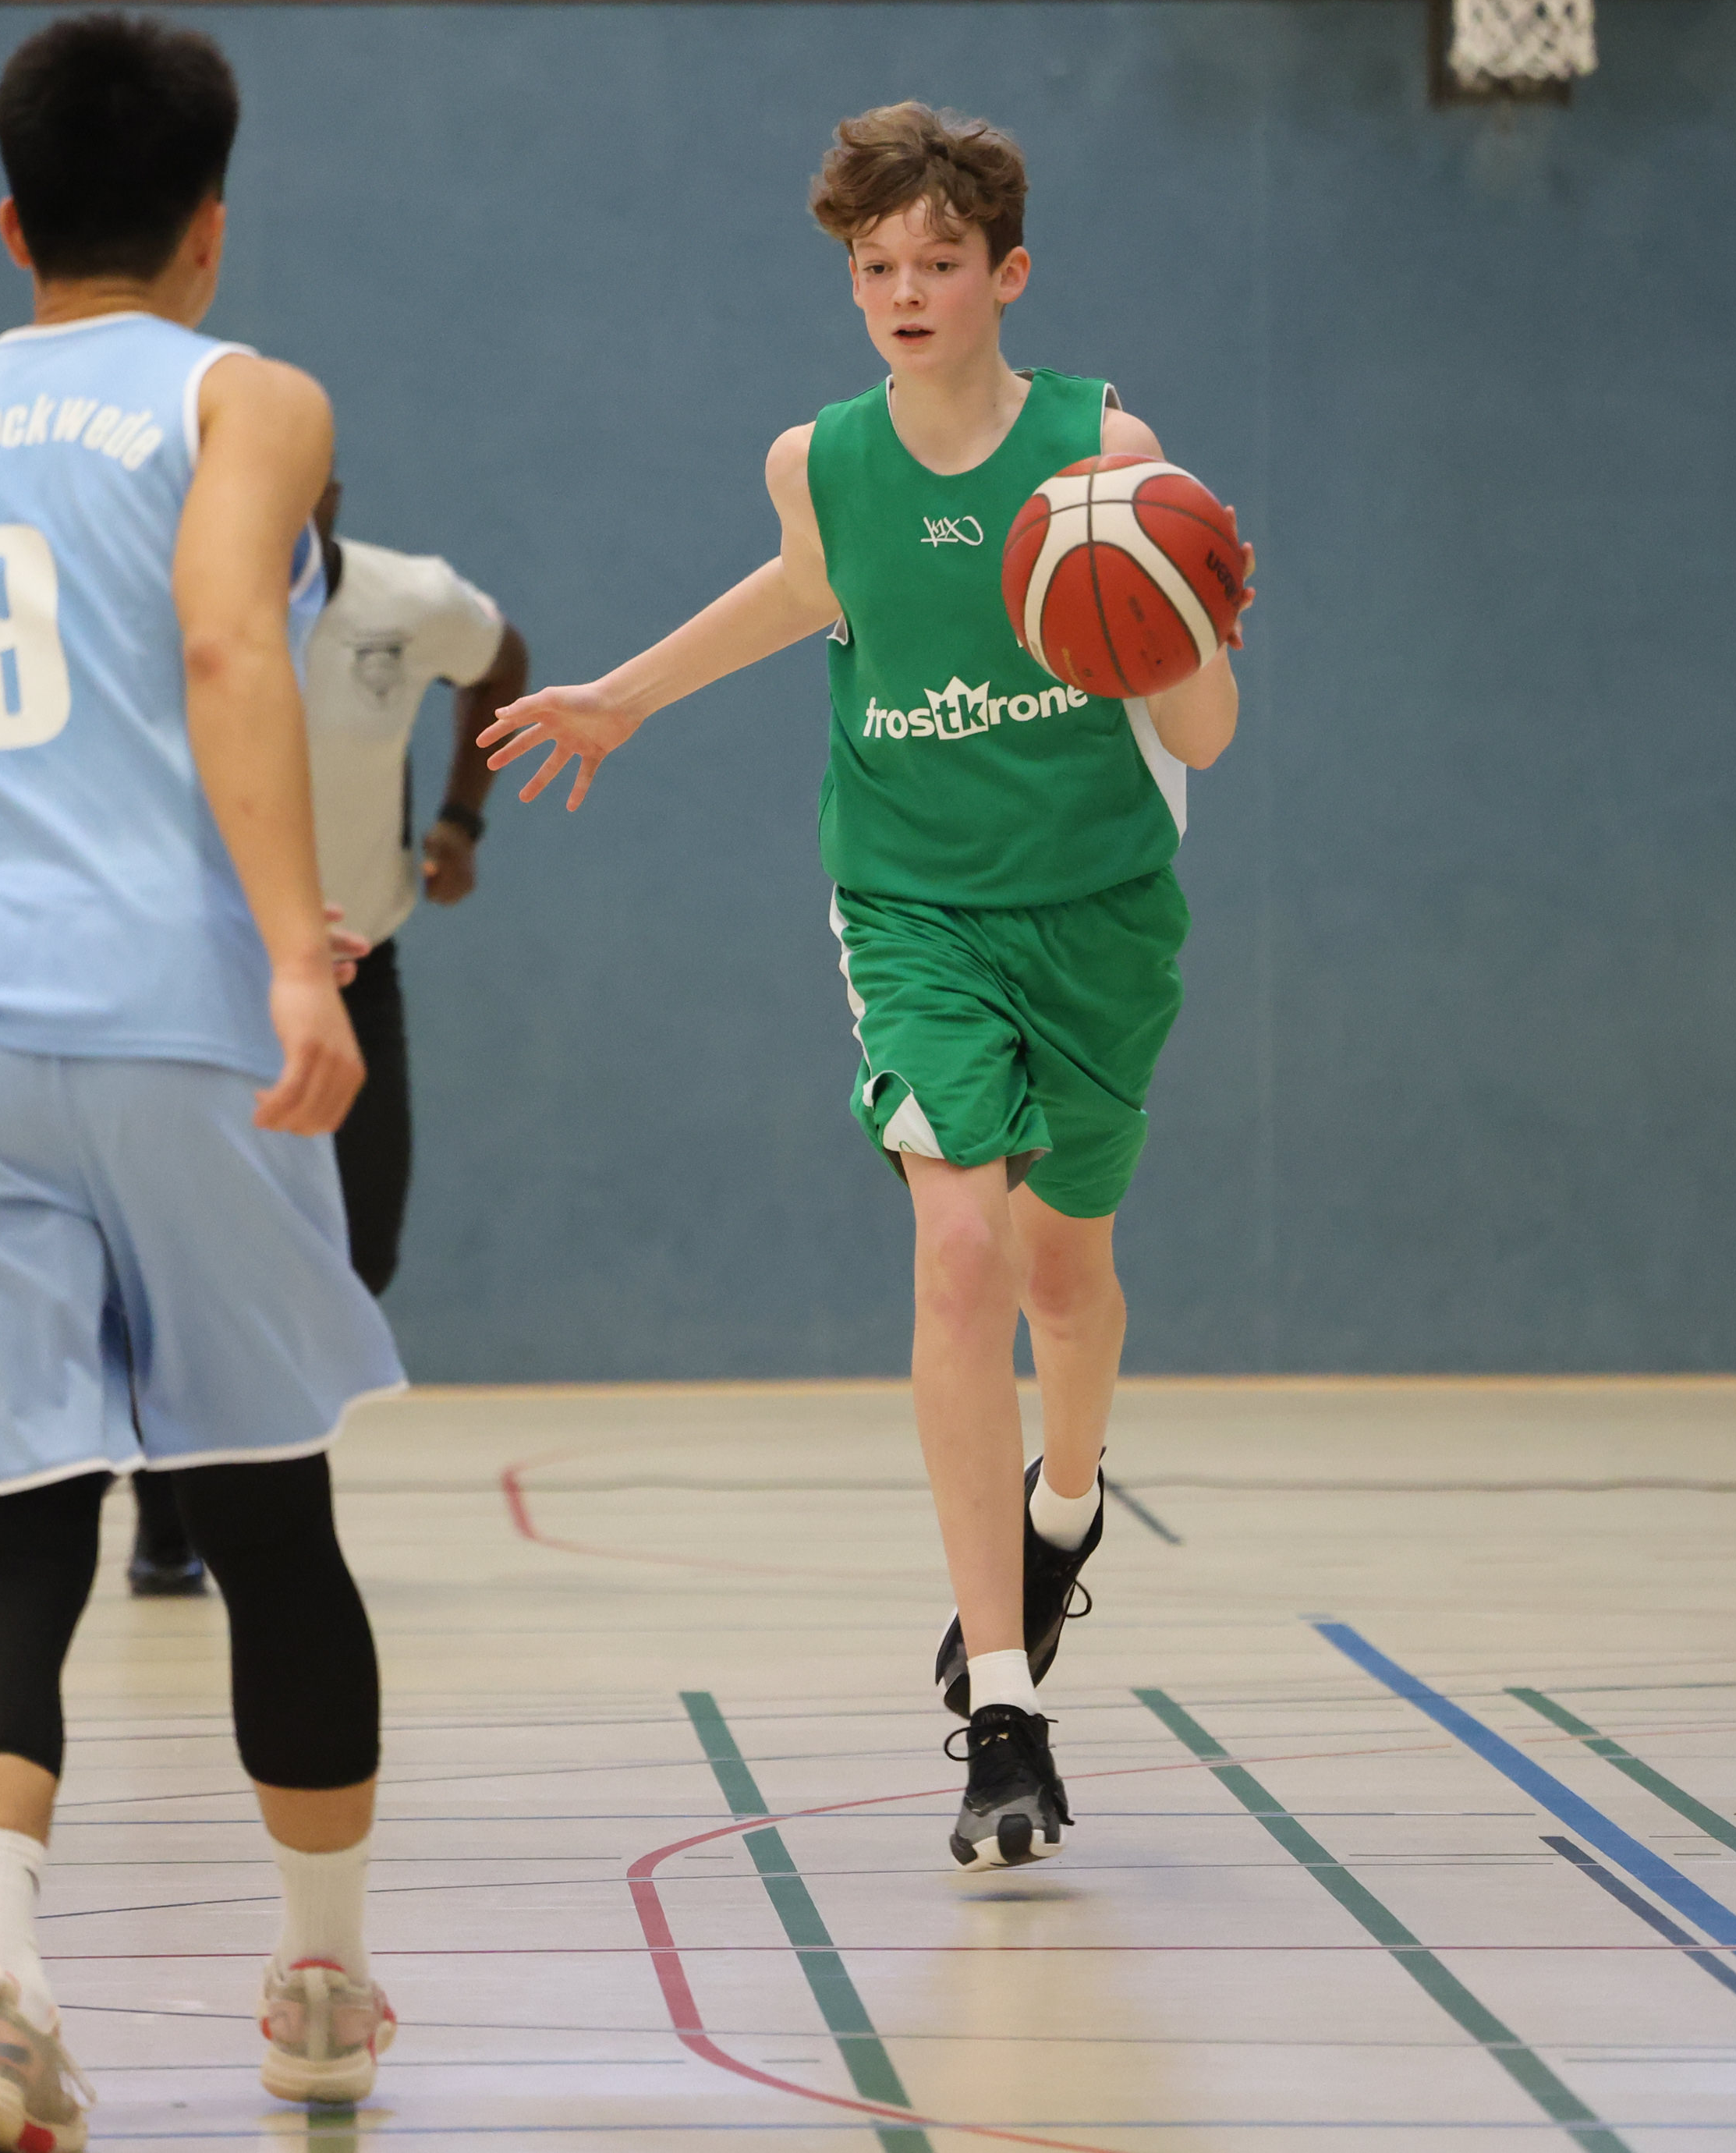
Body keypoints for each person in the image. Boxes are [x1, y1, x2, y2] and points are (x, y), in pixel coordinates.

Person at [481, 101, 1247, 1871]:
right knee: (960, 1250)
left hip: (1101, 910)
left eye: (939, 262)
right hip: (912, 908)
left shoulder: (1102, 455)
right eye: (873, 266)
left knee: (1065, 1272)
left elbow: (1202, 730)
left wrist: (1193, 628)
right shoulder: (816, 458)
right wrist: (622, 697)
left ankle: (1068, 1506)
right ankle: (1005, 1715)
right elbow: (806, 590)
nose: (905, 291)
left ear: (1008, 274)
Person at [0, 13, 403, 2148]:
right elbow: (232, 643)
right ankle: (320, 1984)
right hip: (176, 1023)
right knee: (271, 1522)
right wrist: (291, 953)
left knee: (9, 1558)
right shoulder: (247, 395)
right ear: (209, 225)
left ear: (11, 222)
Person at [122, 483, 526, 1597]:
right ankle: (178, 1497)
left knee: (362, 1246)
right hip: (200, 973)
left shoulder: (410, 599)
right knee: (186, 1252)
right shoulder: (171, 604)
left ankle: (224, 1458)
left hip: (356, 963)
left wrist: (461, 820)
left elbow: (501, 662)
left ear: (330, 496)